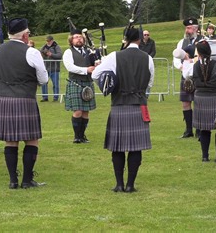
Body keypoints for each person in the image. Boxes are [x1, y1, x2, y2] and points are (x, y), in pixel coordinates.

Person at [92, 27, 154, 193]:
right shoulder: (148, 58)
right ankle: (130, 185)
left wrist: (108, 84)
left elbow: (95, 75)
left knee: (117, 147)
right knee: (136, 148)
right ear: (140, 39)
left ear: (125, 39)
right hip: (139, 105)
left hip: (119, 104)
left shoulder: (114, 56)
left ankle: (119, 184)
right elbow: (149, 83)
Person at [0, 18, 48, 189]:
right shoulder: (31, 52)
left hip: (2, 99)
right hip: (24, 98)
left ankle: (13, 180)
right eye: (28, 33)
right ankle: (27, 180)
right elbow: (44, 79)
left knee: (10, 141)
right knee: (32, 139)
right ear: (24, 35)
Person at [182, 40, 216, 163]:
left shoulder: (193, 66)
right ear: (210, 52)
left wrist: (186, 60)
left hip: (200, 100)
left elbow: (185, 75)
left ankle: (205, 156)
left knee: (204, 128)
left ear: (198, 53)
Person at [62, 29, 100, 144]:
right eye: (76, 37)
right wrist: (86, 70)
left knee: (86, 111)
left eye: (80, 37)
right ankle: (77, 136)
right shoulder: (68, 52)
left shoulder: (90, 51)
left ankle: (82, 135)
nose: (79, 39)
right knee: (78, 111)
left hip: (88, 83)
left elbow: (97, 64)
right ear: (71, 40)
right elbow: (70, 67)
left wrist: (98, 64)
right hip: (76, 83)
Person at [173, 17, 202, 138]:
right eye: (186, 28)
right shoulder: (181, 42)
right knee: (185, 103)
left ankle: (200, 130)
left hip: (199, 76)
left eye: (189, 28)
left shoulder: (203, 41)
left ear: (196, 29)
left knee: (199, 103)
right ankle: (188, 130)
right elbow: (175, 57)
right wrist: (181, 67)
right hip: (185, 76)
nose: (187, 30)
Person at [40, 35, 62, 102]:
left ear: (52, 40)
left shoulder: (56, 47)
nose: (48, 42)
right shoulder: (44, 47)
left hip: (54, 69)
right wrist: (44, 53)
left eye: (49, 41)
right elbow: (40, 53)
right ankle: (45, 97)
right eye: (47, 41)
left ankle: (55, 98)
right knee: (44, 83)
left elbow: (60, 55)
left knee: (55, 84)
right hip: (46, 69)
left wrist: (51, 55)